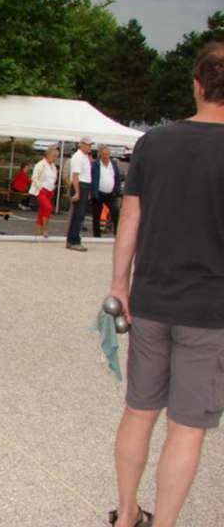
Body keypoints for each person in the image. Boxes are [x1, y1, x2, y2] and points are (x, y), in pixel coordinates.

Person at [107, 42, 224, 527]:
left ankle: (129, 513)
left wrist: (119, 284)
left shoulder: (152, 142)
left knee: (139, 412)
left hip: (150, 299)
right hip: (211, 309)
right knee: (187, 428)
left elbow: (129, 217)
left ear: (196, 85)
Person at [65, 136, 93, 251]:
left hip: (84, 185)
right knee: (78, 215)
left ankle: (72, 240)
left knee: (80, 215)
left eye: (90, 145)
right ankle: (74, 240)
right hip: (80, 185)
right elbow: (75, 175)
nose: (89, 147)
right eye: (87, 145)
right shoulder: (78, 157)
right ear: (81, 144)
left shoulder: (85, 157)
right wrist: (77, 191)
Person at [91, 144, 122, 237]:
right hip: (99, 193)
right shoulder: (95, 164)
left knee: (115, 211)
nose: (106, 156)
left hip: (111, 193)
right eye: (104, 154)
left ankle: (117, 234)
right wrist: (93, 192)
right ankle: (97, 235)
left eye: (108, 154)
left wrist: (116, 190)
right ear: (100, 154)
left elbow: (117, 177)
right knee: (96, 215)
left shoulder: (113, 164)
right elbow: (93, 178)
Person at [28, 147, 59, 237]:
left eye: (56, 156)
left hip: (50, 190)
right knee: (48, 208)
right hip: (41, 190)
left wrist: (53, 187)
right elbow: (34, 177)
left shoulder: (53, 167)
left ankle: (38, 230)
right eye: (54, 156)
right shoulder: (40, 165)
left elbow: (54, 179)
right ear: (48, 155)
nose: (55, 158)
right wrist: (40, 187)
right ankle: (45, 229)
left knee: (43, 210)